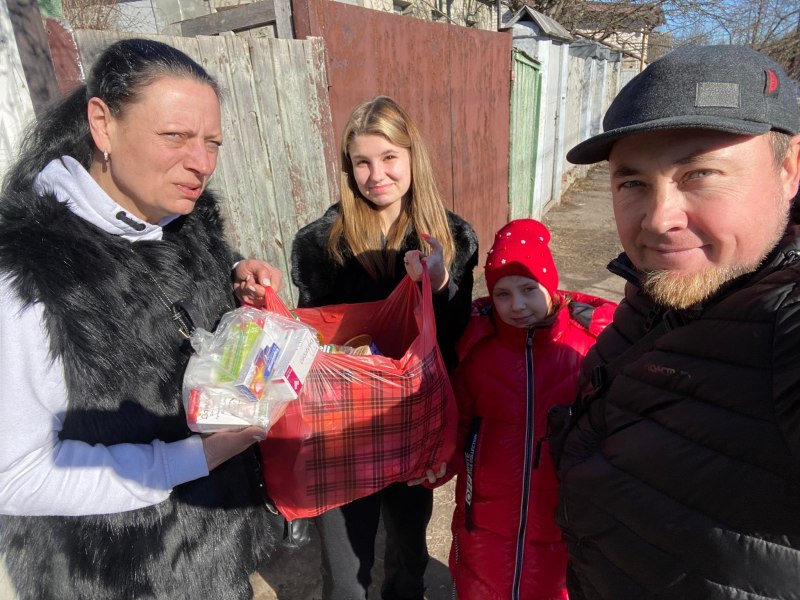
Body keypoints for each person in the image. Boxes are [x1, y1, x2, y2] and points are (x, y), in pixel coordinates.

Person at [0, 38, 285, 600]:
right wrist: (188, 459)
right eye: (175, 136)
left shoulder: (180, 219)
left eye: (212, 143)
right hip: (118, 578)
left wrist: (233, 272)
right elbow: (17, 473)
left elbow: (162, 286)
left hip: (218, 556)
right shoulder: (29, 278)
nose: (201, 163)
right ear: (102, 125)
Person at [553, 44, 800, 599]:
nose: (659, 219)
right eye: (633, 183)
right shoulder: (657, 296)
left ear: (789, 169)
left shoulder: (785, 320)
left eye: (700, 173)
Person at [291, 96, 479, 600]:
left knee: (409, 555)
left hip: (414, 423)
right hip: (344, 429)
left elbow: (454, 340)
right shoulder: (319, 244)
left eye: (389, 157)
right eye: (362, 162)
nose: (376, 175)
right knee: (346, 575)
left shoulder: (451, 239)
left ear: (413, 156)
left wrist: (440, 284)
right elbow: (314, 342)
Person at [446, 219, 616, 600]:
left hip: (558, 526)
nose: (517, 305)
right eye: (502, 294)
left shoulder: (586, 350)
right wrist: (438, 460)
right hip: (485, 525)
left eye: (528, 289)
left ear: (550, 286)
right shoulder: (476, 350)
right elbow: (458, 426)